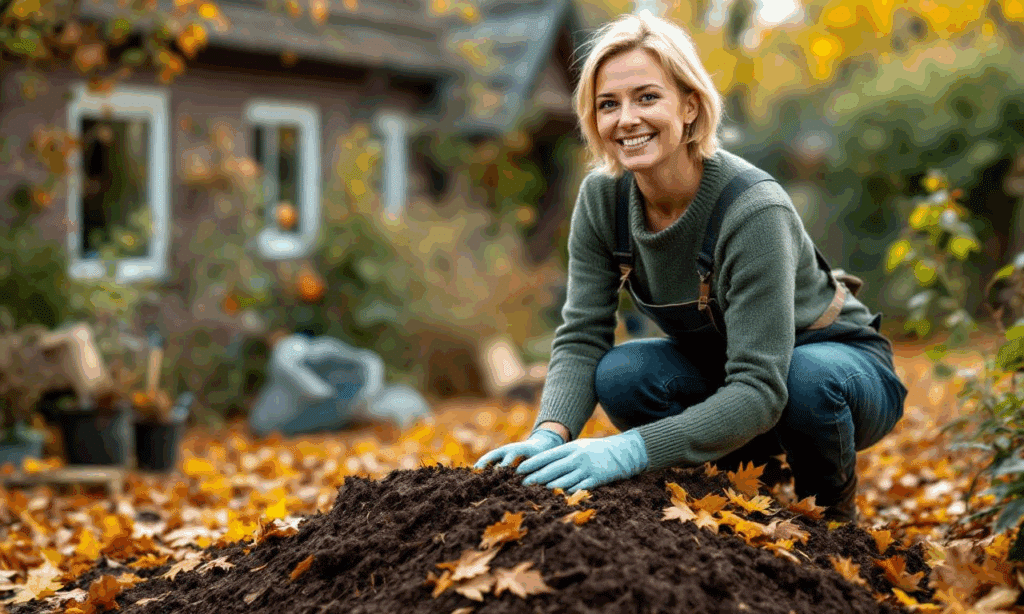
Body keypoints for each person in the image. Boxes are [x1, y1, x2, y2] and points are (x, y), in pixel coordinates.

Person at [474, 12, 907, 522]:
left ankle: (832, 517)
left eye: (647, 97)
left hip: (836, 370)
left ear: (690, 106)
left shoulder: (752, 209)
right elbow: (582, 335)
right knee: (622, 374)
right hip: (732, 374)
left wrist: (630, 449)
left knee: (805, 379)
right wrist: (549, 432)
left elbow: (760, 387)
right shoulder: (602, 199)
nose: (626, 119)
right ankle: (744, 492)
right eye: (607, 104)